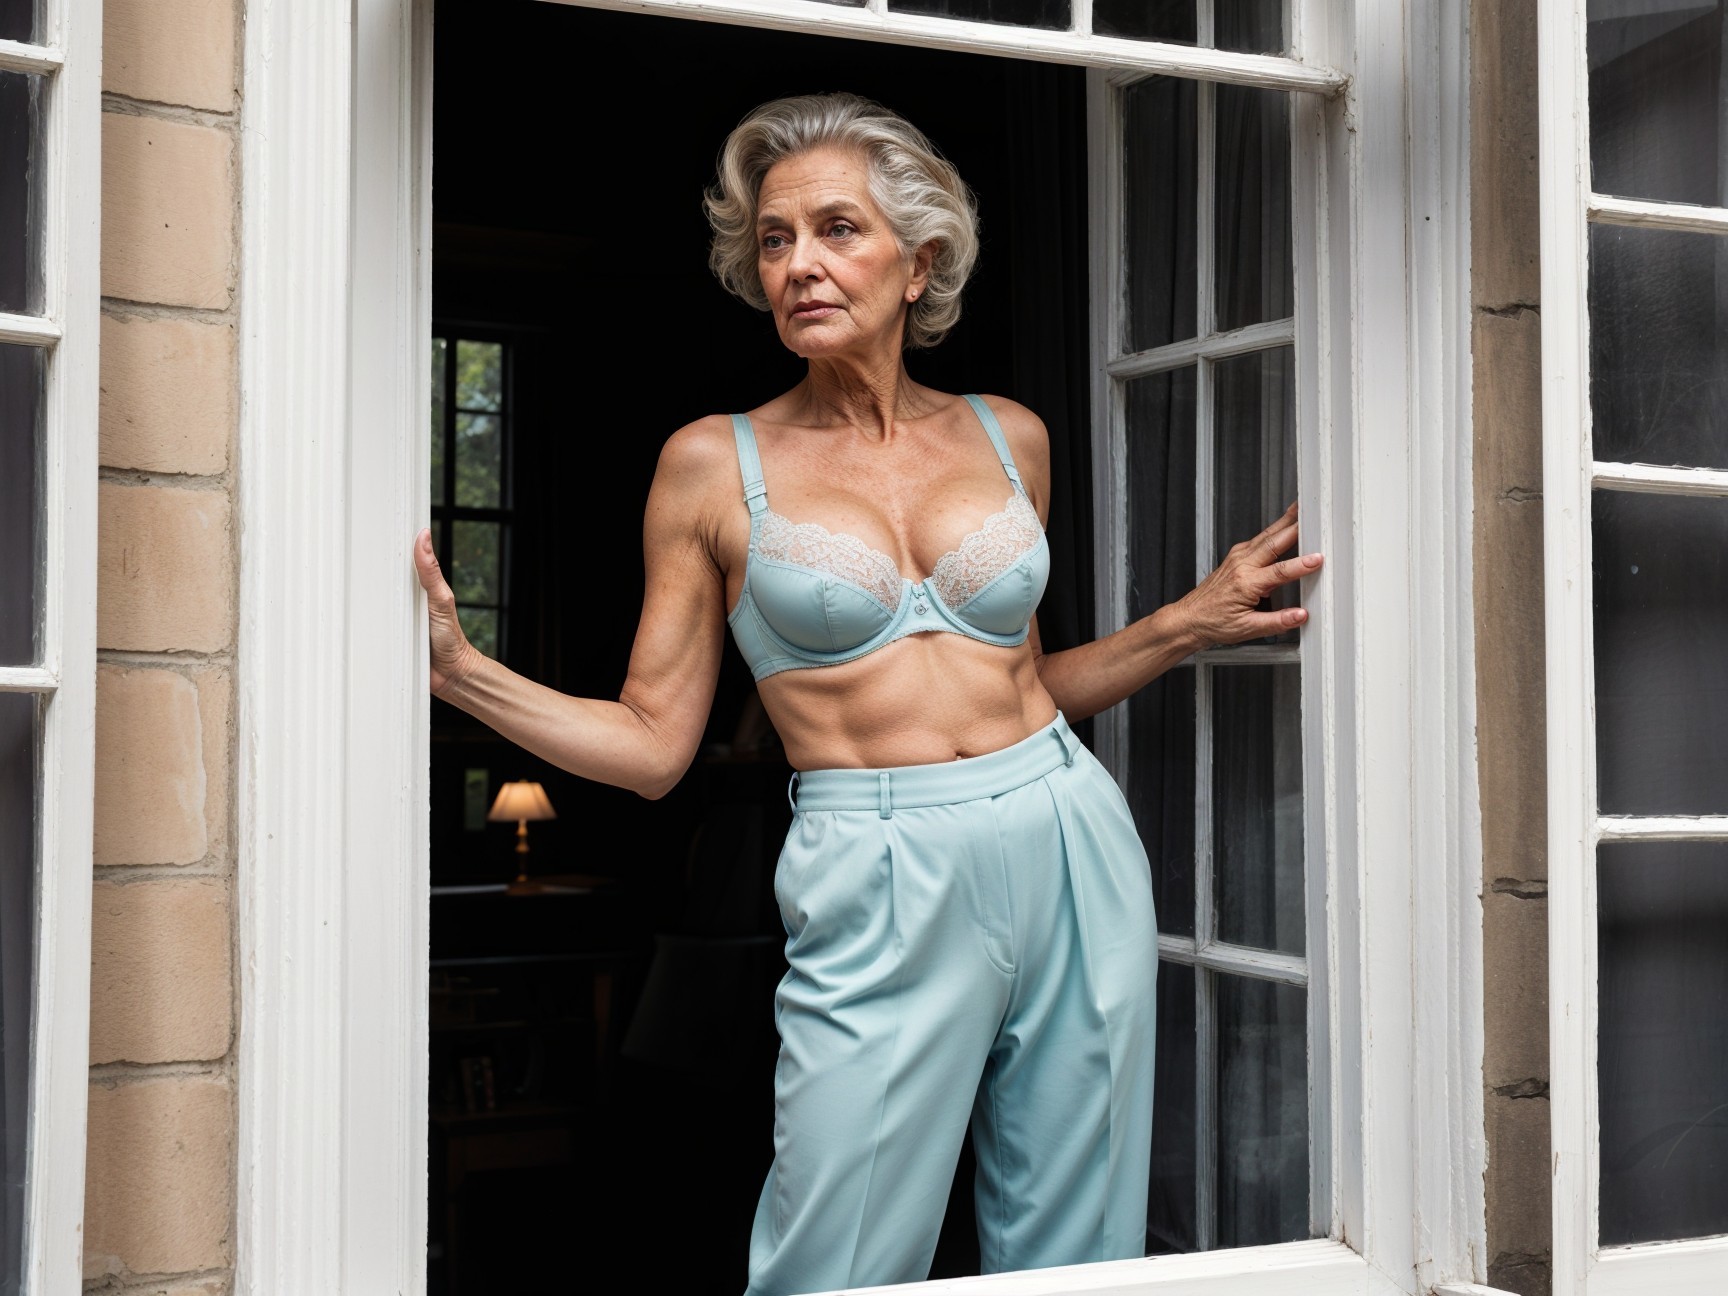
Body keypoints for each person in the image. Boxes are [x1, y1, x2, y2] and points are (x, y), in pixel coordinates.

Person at [414, 92, 1321, 1296]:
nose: (799, 264)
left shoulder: (1011, 437)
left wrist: (1183, 622)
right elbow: (651, 744)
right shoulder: (710, 464)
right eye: (775, 239)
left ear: (919, 261)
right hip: (876, 862)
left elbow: (1017, 683)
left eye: (837, 229)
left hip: (1066, 830)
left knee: (1079, 1245)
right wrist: (460, 673)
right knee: (836, 1252)